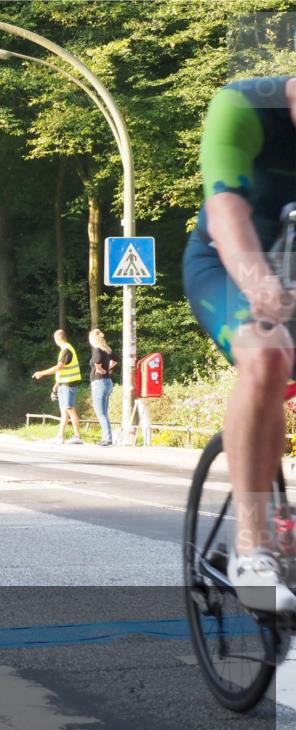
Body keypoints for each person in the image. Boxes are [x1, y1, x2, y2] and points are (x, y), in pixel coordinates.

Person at [182, 76, 296, 612]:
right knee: (267, 353)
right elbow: (227, 212)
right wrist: (261, 285)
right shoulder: (244, 106)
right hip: (227, 264)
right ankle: (252, 544)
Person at [33, 329, 83, 444]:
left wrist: (41, 373)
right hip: (64, 384)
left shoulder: (66, 350)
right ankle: (60, 437)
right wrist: (57, 383)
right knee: (64, 412)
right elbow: (63, 369)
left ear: (57, 339)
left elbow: (59, 367)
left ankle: (77, 436)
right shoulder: (65, 349)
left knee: (70, 409)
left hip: (69, 384)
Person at [88, 329, 118, 446]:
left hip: (99, 383)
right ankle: (107, 437)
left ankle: (107, 439)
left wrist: (98, 369)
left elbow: (97, 361)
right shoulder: (107, 349)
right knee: (104, 413)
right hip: (107, 382)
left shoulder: (97, 350)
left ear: (92, 339)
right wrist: (109, 368)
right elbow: (116, 359)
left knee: (101, 413)